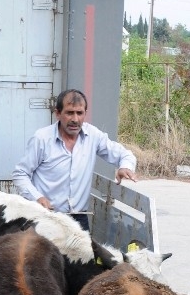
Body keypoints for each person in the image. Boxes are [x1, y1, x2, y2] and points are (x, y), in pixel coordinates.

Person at [12, 88, 137, 230]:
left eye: (79, 113)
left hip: (78, 219)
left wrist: (125, 167)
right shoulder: (42, 139)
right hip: (44, 217)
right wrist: (37, 198)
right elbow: (20, 173)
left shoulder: (93, 136)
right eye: (69, 113)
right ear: (58, 113)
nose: (75, 119)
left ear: (85, 114)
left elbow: (125, 154)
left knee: (84, 253)